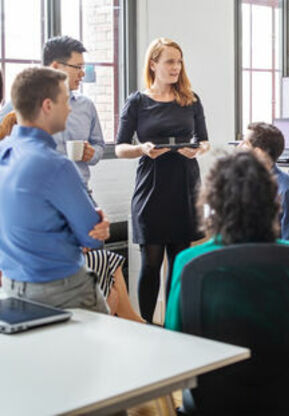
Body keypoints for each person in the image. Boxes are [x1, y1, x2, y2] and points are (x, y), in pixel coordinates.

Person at [115, 38, 209, 323]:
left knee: (178, 263)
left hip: (185, 186)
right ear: (153, 64)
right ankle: (145, 325)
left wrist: (197, 150)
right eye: (170, 61)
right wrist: (141, 149)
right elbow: (120, 147)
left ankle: (172, 324)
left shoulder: (191, 100)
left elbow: (204, 141)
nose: (176, 67)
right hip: (152, 187)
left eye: (179, 62)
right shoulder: (138, 102)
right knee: (151, 263)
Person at [0, 67, 110, 311]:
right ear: (48, 106)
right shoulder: (56, 165)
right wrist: (96, 225)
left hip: (12, 288)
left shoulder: (3, 151)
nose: (69, 108)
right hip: (64, 291)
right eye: (64, 101)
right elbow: (92, 239)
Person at [165, 150, 289, 332]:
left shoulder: (190, 261)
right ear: (273, 204)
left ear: (211, 206)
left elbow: (176, 335)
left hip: (214, 361)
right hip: (280, 361)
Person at [0, 36, 105, 188]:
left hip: (80, 191)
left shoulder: (86, 106)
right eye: (78, 67)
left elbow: (99, 146)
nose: (82, 74)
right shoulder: (20, 105)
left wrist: (92, 153)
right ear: (56, 67)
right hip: (38, 195)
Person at [241, 121, 289, 248]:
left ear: (259, 153)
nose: (239, 147)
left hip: (272, 262)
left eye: (245, 144)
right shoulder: (246, 183)